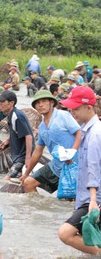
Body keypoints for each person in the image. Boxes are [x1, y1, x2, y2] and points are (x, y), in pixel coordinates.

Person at [58, 86, 101, 256]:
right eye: (70, 108)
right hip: (87, 196)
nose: (72, 112)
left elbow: (93, 168)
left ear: (89, 107)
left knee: (65, 233)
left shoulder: (95, 134)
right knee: (87, 235)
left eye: (75, 108)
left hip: (94, 198)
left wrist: (92, 200)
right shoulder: (86, 130)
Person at [20, 90, 81, 193]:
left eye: (44, 101)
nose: (40, 105)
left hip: (73, 167)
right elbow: (37, 152)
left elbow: (79, 132)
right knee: (28, 182)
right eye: (37, 103)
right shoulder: (42, 127)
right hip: (56, 166)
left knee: (68, 201)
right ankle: (37, 209)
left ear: (52, 103)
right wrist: (26, 173)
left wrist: (72, 151)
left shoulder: (63, 116)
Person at [0, 91, 35, 180]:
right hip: (18, 155)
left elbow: (28, 136)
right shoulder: (10, 114)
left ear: (11, 103)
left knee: (6, 180)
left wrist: (28, 158)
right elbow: (15, 131)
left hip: (22, 156)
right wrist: (7, 141)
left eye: (2, 102)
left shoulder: (17, 116)